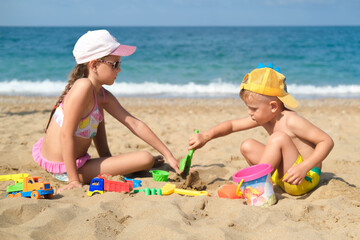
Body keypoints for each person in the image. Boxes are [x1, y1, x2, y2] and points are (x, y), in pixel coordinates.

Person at [32, 29, 179, 193]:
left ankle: (106, 165)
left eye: (120, 64)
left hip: (74, 162)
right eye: (114, 64)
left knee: (101, 122)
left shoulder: (102, 96)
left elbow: (134, 124)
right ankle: (80, 176)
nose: (119, 70)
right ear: (94, 65)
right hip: (65, 167)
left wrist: (169, 155)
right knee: (145, 158)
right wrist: (74, 180)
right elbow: (65, 134)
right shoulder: (83, 86)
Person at [188, 63, 334, 196]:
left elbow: (326, 141)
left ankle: (259, 185)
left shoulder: (291, 120)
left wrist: (304, 167)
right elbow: (232, 125)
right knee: (247, 145)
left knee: (278, 138)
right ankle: (265, 181)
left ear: (273, 106)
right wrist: (206, 136)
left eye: (253, 108)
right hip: (283, 176)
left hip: (303, 178)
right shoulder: (265, 117)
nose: (249, 112)